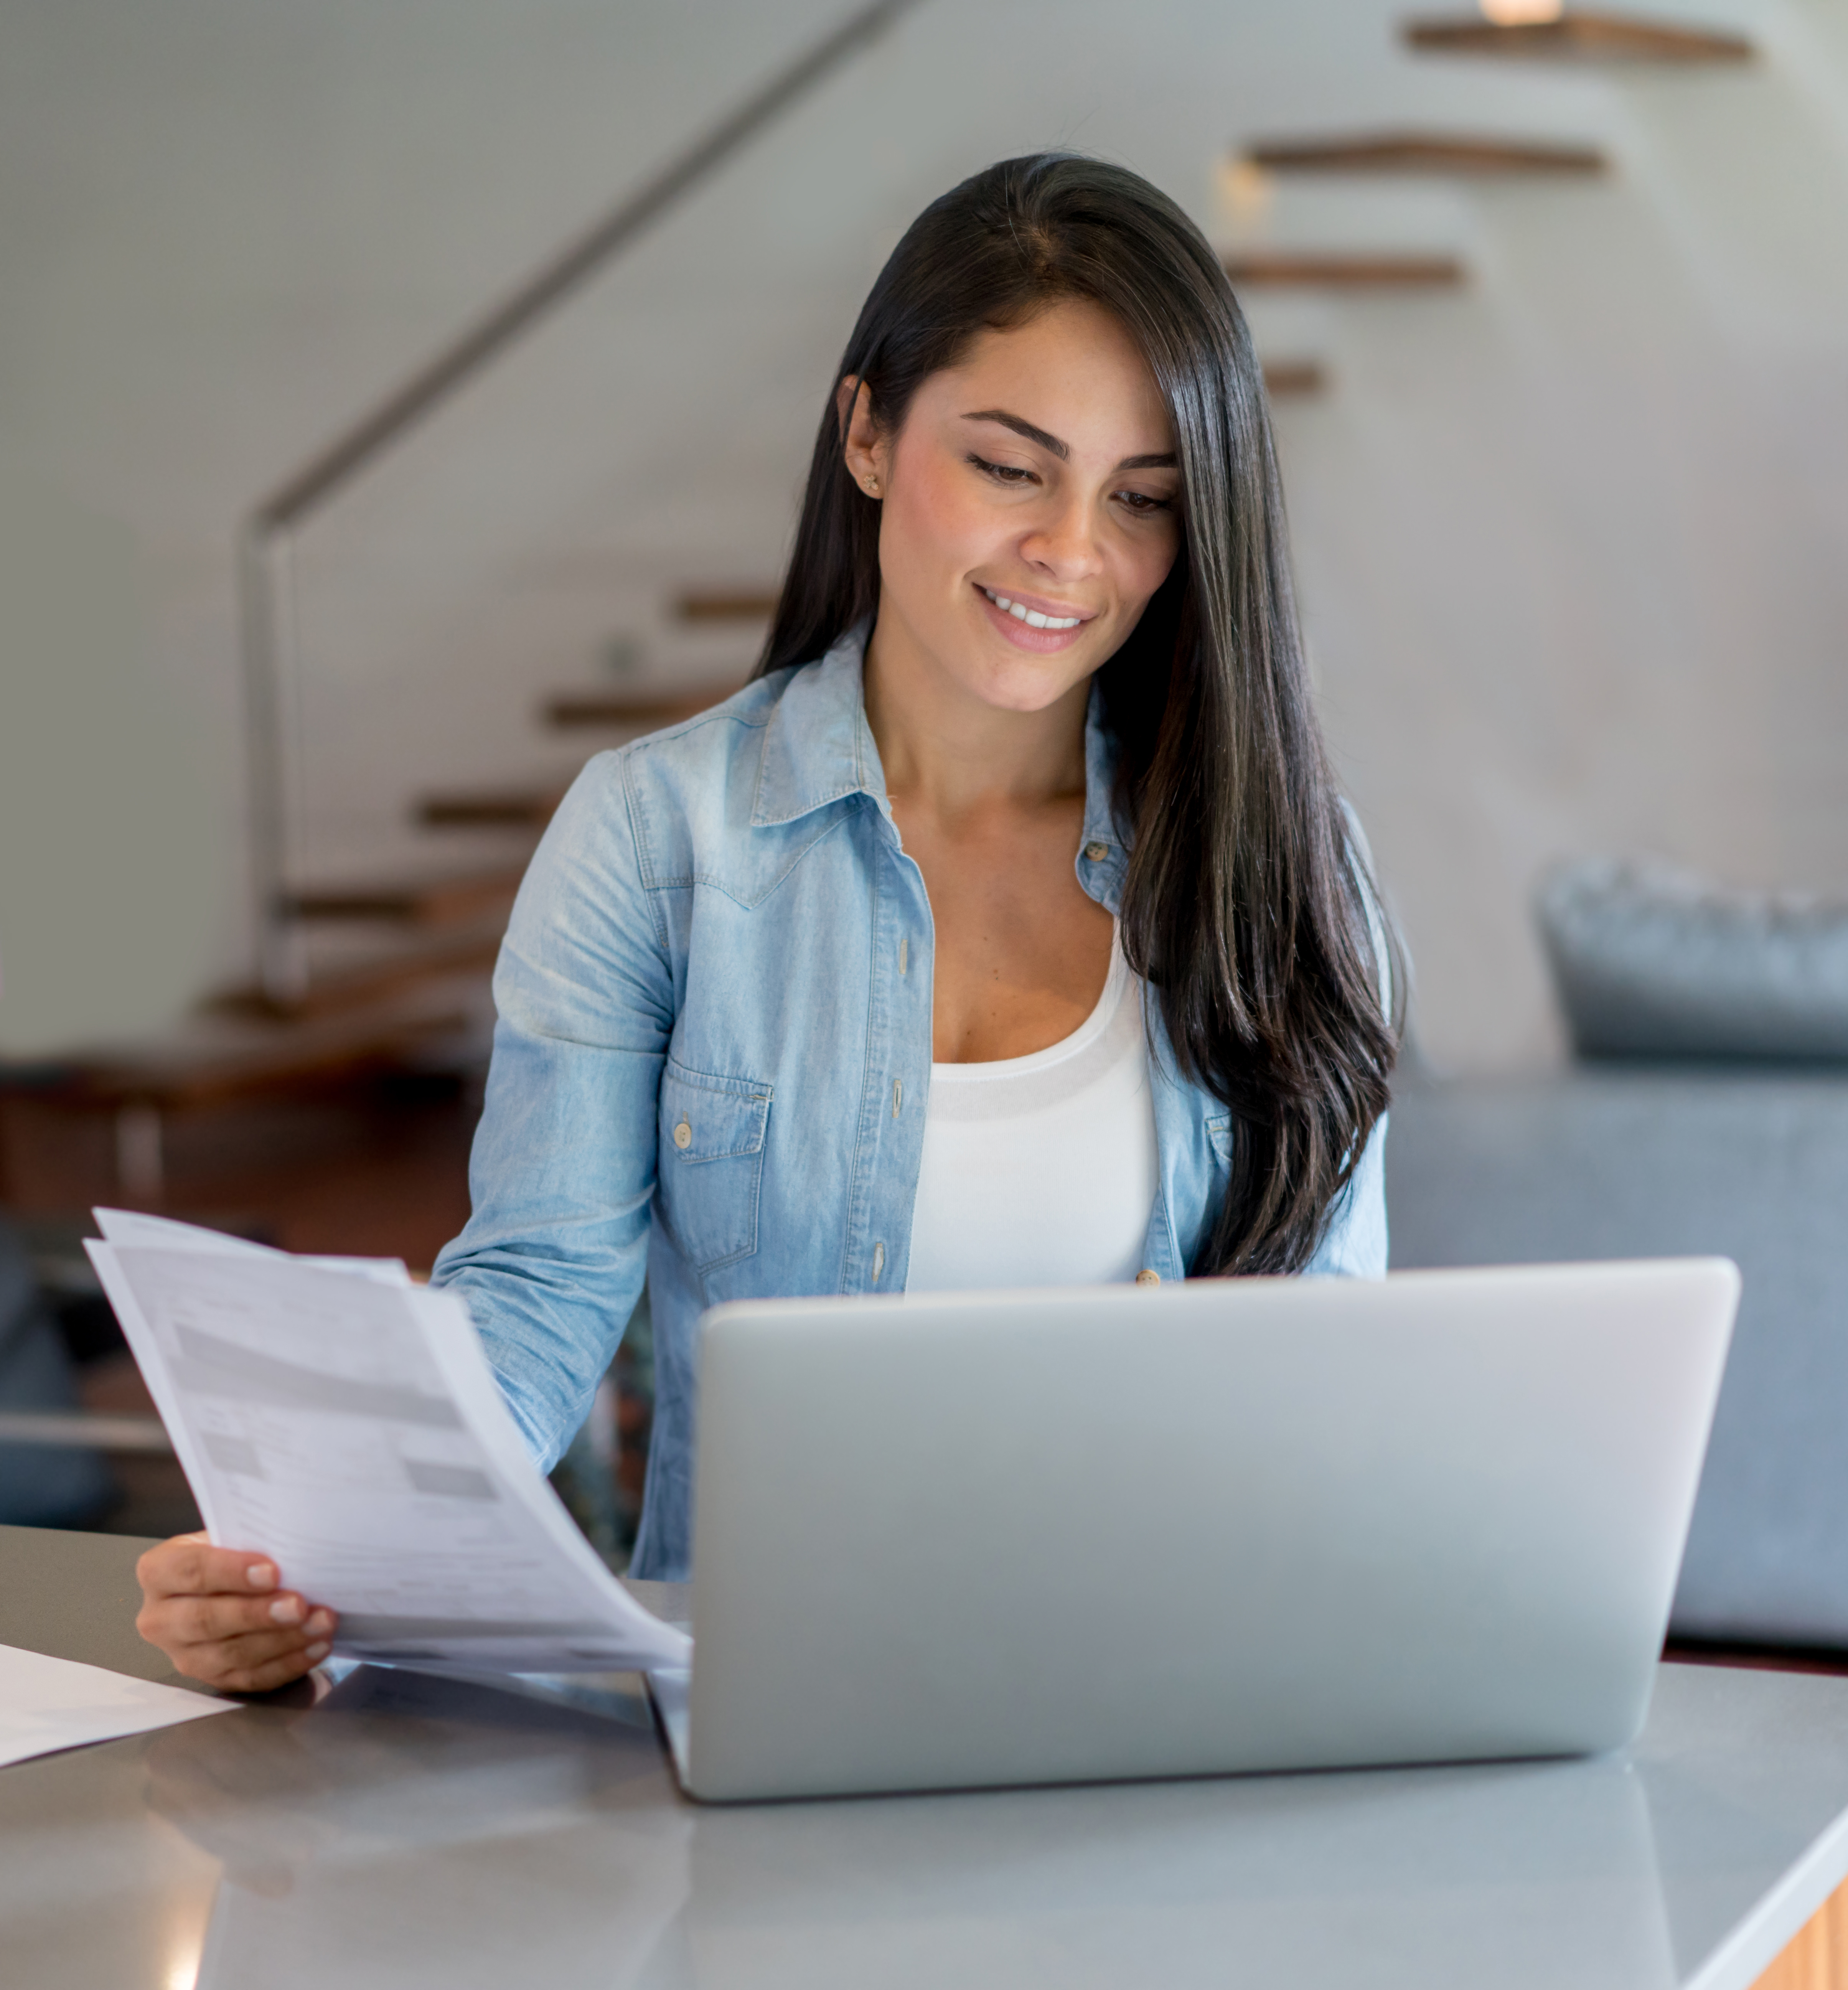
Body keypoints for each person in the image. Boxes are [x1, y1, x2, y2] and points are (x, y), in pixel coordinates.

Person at [134, 153, 1401, 1691]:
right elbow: (535, 1305)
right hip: (770, 1697)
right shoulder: (655, 838)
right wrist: (313, 1552)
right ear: (866, 430)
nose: (1073, 553)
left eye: (1140, 500)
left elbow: (1338, 1370)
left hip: (1165, 1690)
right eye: (1010, 466)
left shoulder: (1271, 858)